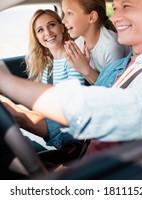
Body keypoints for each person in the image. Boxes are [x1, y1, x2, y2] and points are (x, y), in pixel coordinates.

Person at [1, 0, 142, 146]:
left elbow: (121, 110)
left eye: (126, 6)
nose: (115, 18)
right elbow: (79, 126)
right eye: (114, 8)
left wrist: (8, 83)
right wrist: (21, 117)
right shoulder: (116, 68)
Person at [1, 9, 86, 152]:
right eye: (40, 30)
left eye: (51, 25)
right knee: (9, 107)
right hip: (54, 116)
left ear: (61, 26)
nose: (47, 33)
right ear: (36, 37)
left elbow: (74, 103)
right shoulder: (48, 64)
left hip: (70, 125)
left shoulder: (72, 56)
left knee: (12, 112)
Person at [62, 0, 130, 84]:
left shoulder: (111, 47)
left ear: (92, 17)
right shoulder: (78, 44)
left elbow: (111, 89)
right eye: (64, 13)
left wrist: (85, 69)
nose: (63, 20)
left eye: (69, 13)